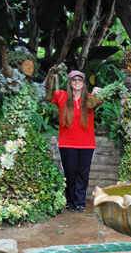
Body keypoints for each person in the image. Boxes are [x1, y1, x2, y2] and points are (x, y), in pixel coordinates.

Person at [44, 69, 102, 212]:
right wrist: (50, 74)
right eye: (74, 80)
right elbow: (46, 91)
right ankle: (69, 201)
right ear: (69, 82)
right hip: (66, 143)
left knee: (83, 174)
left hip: (87, 144)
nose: (77, 82)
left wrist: (98, 91)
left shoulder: (90, 99)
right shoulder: (61, 95)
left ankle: (80, 203)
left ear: (83, 83)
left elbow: (106, 97)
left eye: (80, 80)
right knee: (70, 172)